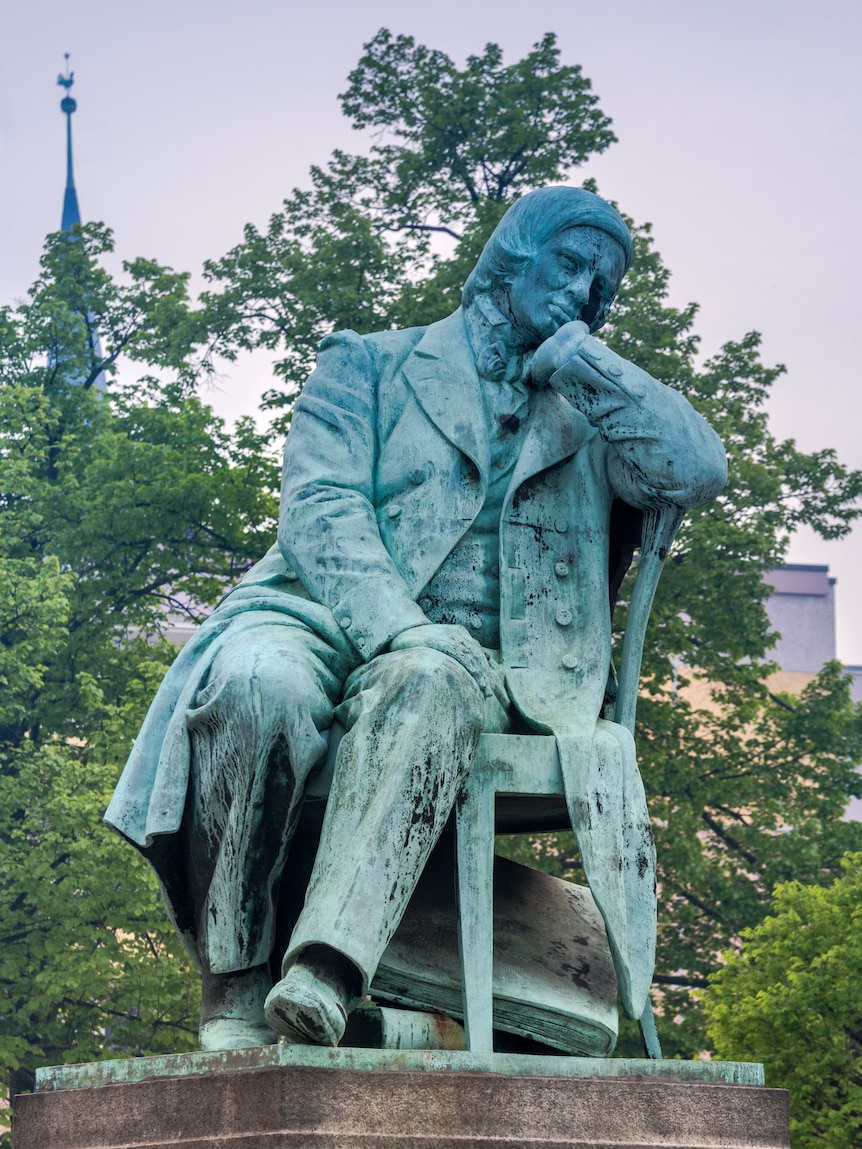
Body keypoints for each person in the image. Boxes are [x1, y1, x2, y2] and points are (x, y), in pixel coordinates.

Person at [105, 186, 726, 1051]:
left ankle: (324, 969)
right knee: (254, 685)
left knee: (432, 678)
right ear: (514, 255)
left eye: (603, 284)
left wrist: (580, 358)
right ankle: (235, 982)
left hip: (482, 667)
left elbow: (697, 470)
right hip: (317, 614)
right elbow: (320, 508)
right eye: (571, 264)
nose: (587, 290)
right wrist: (397, 624)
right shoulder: (370, 364)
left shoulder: (596, 417)